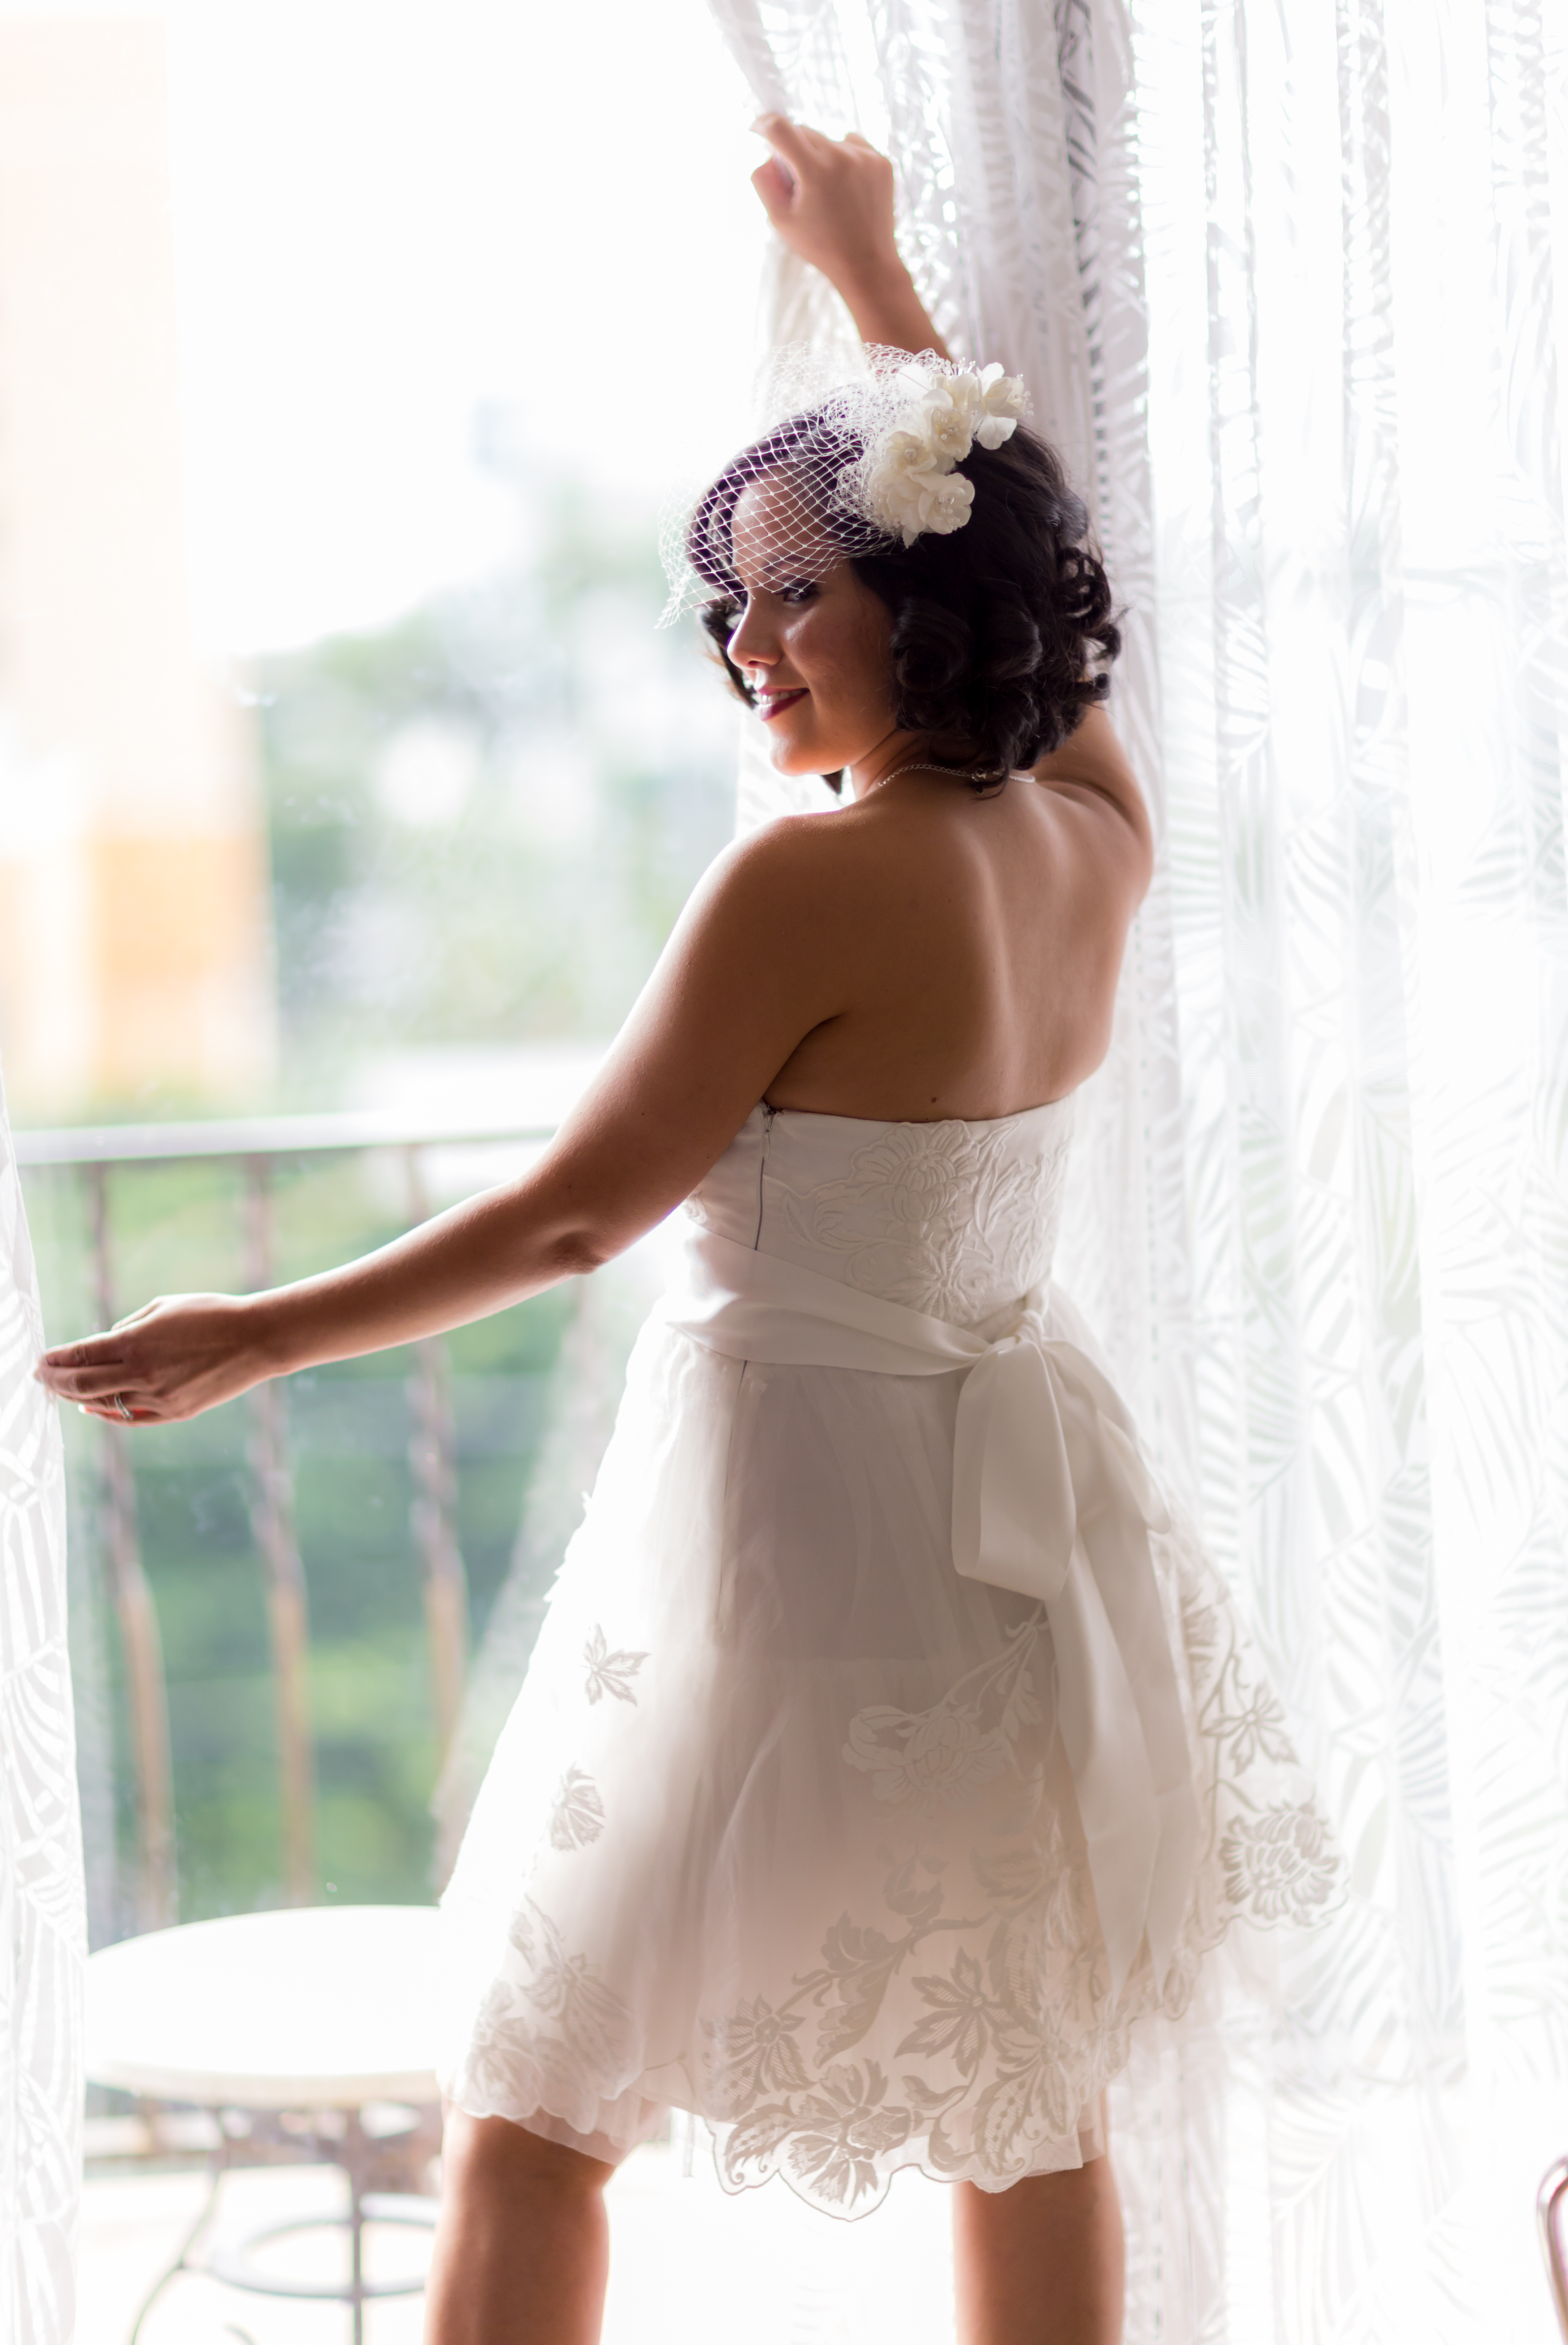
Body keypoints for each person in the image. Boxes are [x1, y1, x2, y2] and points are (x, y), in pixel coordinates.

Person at [38, 119, 1338, 2345]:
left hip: (792, 1539)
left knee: (536, 2101)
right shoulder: (1094, 839)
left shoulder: (812, 878)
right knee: (1025, 2102)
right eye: (726, 603)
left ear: (925, 596)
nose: (748, 648)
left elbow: (568, 1221)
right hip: (1018, 1534)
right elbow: (1021, 551)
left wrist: (256, 1334)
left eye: (793, 591)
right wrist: (885, 291)